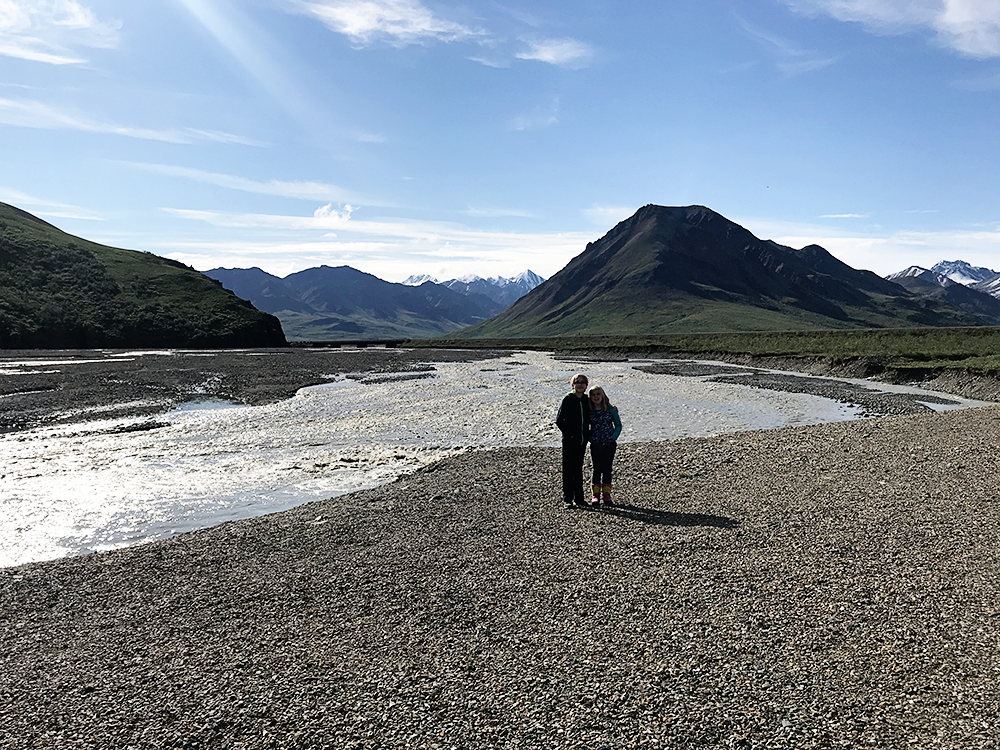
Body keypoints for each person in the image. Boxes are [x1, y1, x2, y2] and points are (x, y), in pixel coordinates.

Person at [556, 373, 590, 507]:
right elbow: (559, 420)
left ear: (586, 385)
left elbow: (601, 405)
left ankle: (579, 498)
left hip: (582, 441)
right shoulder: (568, 399)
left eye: (582, 382)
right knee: (568, 470)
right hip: (569, 441)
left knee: (578, 469)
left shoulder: (587, 400)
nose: (580, 384)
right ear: (573, 385)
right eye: (577, 382)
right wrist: (570, 435)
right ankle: (568, 499)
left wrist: (613, 409)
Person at [587, 385, 622, 506]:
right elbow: (585, 427)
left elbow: (618, 425)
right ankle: (595, 495)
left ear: (603, 395)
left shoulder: (611, 410)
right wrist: (590, 438)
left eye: (598, 394)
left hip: (609, 444)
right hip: (596, 444)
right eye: (593, 395)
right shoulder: (589, 411)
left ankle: (606, 495)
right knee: (596, 469)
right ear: (590, 397)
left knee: (607, 469)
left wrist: (613, 437)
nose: (596, 397)